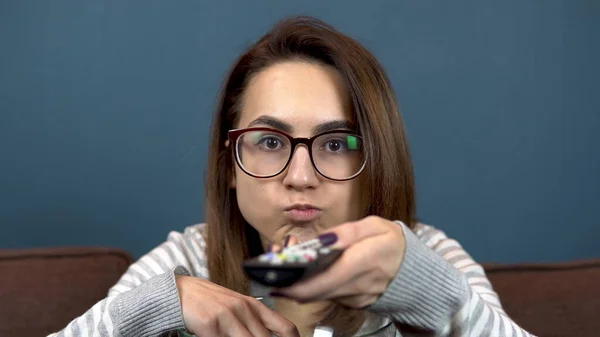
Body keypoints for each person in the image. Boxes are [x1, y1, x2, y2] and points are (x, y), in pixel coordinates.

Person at [49, 16, 534, 337]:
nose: (300, 177)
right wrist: (155, 307)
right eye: (270, 141)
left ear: (376, 163)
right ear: (230, 168)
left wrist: (429, 293)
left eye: (337, 144)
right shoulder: (186, 259)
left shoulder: (428, 253)